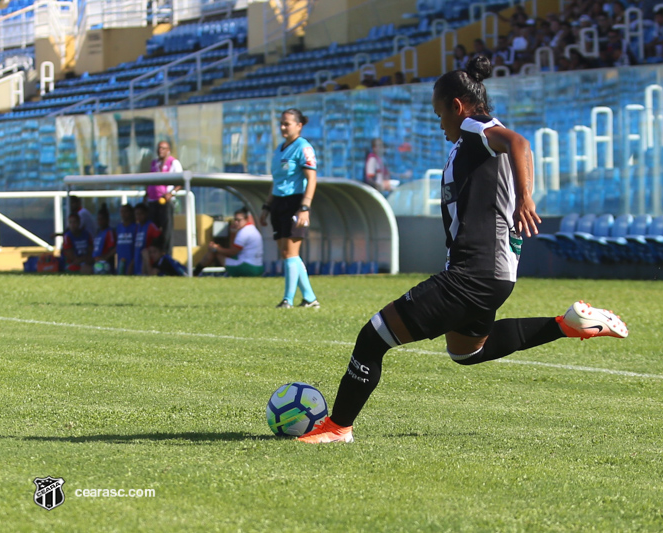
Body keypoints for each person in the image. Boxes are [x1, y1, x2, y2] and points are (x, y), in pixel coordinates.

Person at [298, 56, 629, 444]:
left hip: (473, 274)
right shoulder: (476, 141)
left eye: (440, 114)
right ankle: (566, 324)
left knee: (372, 338)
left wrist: (525, 199)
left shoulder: (477, 128)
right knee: (467, 353)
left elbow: (519, 142)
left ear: (457, 106)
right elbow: (518, 153)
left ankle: (338, 427)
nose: (439, 124)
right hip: (492, 275)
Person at [259, 108, 320, 309]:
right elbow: (276, 181)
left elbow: (311, 179)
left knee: (291, 253)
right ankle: (310, 298)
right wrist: (267, 206)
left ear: (299, 125)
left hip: (295, 203)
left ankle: (287, 299)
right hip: (278, 203)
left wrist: (304, 207)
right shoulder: (279, 149)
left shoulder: (303, 148)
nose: (283, 127)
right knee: (287, 254)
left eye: (287, 123)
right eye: (282, 123)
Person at [196, 207, 264, 277]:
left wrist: (216, 248)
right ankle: (197, 272)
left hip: (247, 267)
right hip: (257, 267)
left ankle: (195, 273)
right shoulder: (251, 229)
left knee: (215, 252)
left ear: (246, 219)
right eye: (235, 220)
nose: (236, 222)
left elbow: (232, 252)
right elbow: (233, 249)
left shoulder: (244, 232)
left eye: (238, 220)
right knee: (217, 252)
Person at [147, 140, 183, 255]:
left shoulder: (174, 163)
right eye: (159, 148)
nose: (160, 150)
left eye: (163, 148)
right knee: (153, 231)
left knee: (167, 231)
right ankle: (154, 256)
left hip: (165, 202)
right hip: (152, 201)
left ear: (169, 150)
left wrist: (170, 193)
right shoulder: (154, 163)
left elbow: (180, 182)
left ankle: (167, 256)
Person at [132, 202, 162, 276]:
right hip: (137, 260)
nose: (139, 216)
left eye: (141, 214)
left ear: (146, 214)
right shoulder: (137, 227)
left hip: (147, 262)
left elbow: (158, 238)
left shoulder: (150, 226)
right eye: (137, 214)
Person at [92, 204, 117, 274]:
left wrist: (104, 258)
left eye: (102, 219)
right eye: (98, 219)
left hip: (104, 264)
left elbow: (113, 249)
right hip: (95, 262)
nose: (100, 221)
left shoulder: (109, 232)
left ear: (107, 220)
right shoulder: (98, 232)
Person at [115, 204, 136, 275]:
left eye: (125, 212)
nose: (123, 214)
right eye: (121, 212)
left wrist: (133, 263)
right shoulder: (119, 227)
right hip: (121, 260)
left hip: (131, 260)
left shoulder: (135, 227)